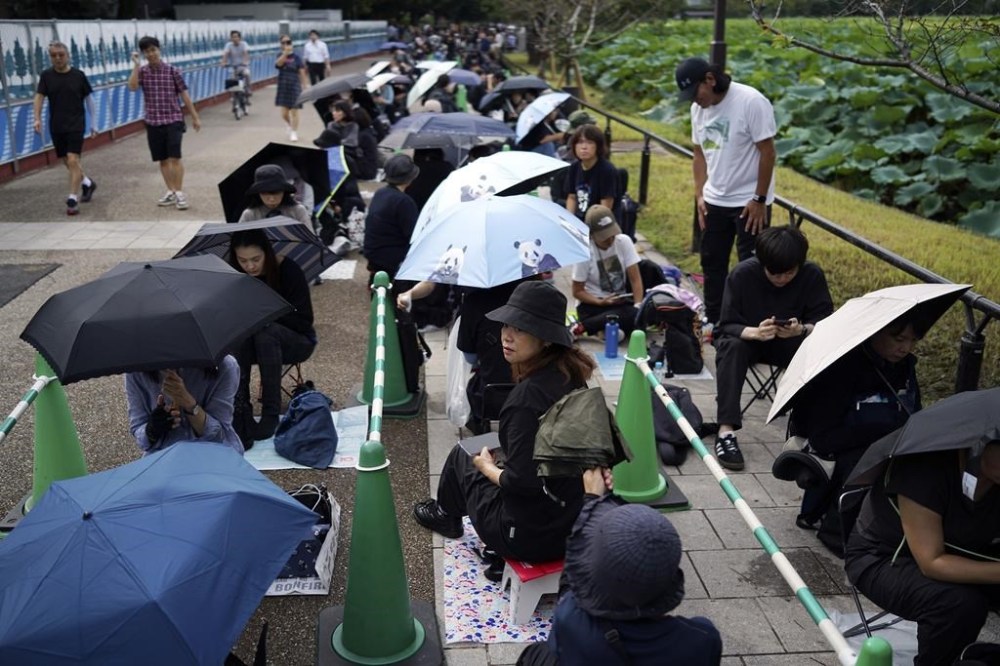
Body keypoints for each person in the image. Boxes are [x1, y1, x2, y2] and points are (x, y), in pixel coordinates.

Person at [413, 281, 596, 566]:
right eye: (505, 325)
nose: (507, 336)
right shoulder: (572, 374)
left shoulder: (525, 399)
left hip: (528, 536)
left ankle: (447, 517)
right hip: (572, 519)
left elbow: (521, 483)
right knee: (490, 450)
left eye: (520, 328)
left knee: (466, 453)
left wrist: (487, 467)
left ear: (546, 338)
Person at [517, 469, 723, 666]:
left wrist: (591, 500)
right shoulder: (702, 640)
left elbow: (572, 583)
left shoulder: (572, 622)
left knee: (536, 654)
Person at [845, 440, 1000, 666]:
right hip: (885, 558)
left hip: (964, 549)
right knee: (960, 605)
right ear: (981, 442)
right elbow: (932, 562)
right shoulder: (923, 468)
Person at [785, 313, 922, 552]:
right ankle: (837, 530)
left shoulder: (905, 367)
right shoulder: (841, 368)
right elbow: (822, 437)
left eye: (912, 340)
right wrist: (879, 431)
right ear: (875, 333)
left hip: (890, 442)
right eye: (899, 339)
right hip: (840, 449)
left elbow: (914, 414)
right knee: (870, 459)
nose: (905, 348)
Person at [712, 226, 832, 470]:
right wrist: (755, 332)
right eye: (774, 273)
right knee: (731, 347)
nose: (781, 279)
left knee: (820, 351)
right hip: (751, 343)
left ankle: (806, 433)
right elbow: (726, 325)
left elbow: (826, 322)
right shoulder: (742, 274)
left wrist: (801, 330)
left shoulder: (811, 275)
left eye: (788, 273)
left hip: (792, 343)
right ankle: (725, 432)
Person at [675, 57, 777, 331]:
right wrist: (699, 195)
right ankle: (715, 319)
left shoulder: (750, 101)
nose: (695, 101)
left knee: (753, 266)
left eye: (695, 93)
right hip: (714, 200)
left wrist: (759, 199)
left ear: (709, 79)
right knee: (712, 262)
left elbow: (768, 152)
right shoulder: (699, 110)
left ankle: (751, 322)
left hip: (748, 202)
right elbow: (699, 154)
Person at [228, 229, 316, 441]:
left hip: (295, 341)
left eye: (256, 259)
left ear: (266, 252)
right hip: (250, 345)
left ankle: (270, 411)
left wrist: (267, 314)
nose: (250, 266)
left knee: (265, 331)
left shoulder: (288, 270)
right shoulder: (235, 276)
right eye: (243, 260)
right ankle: (241, 408)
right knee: (240, 334)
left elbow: (304, 321)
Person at [127, 35, 201, 211]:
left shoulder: (172, 71)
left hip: (173, 119)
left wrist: (195, 117)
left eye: (153, 50)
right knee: (162, 160)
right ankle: (171, 191)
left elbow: (184, 95)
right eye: (147, 51)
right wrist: (136, 65)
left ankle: (180, 193)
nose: (151, 54)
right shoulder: (143, 72)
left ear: (159, 50)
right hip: (153, 121)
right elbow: (132, 86)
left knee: (175, 157)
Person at [125, 357, 243, 455]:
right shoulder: (136, 371)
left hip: (213, 455)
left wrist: (188, 402)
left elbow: (220, 435)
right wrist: (152, 428)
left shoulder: (224, 366)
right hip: (164, 458)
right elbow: (139, 432)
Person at [32, 40, 98, 216]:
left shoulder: (79, 75)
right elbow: (39, 97)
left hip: (76, 124)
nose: (58, 58)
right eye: (54, 56)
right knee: (66, 161)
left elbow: (90, 100)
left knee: (73, 159)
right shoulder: (46, 76)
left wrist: (93, 123)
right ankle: (87, 183)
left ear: (68, 55)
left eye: (61, 55)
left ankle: (72, 198)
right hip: (57, 125)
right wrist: (36, 118)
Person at [570, 205, 644, 340]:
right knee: (626, 321)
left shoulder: (624, 241)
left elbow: (635, 279)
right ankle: (582, 327)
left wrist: (638, 306)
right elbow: (577, 291)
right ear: (591, 235)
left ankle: (601, 329)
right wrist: (600, 302)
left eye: (612, 235)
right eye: (604, 237)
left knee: (635, 317)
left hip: (620, 303)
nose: (610, 240)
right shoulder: (585, 252)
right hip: (593, 305)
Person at [363, 153, 420, 282]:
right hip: (390, 256)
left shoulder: (381, 192)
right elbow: (413, 235)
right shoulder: (404, 201)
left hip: (372, 251)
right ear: (410, 178)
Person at [563, 124, 618, 221]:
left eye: (589, 142)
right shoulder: (574, 167)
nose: (584, 147)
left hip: (599, 223)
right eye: (580, 142)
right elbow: (571, 197)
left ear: (598, 146)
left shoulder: (607, 170)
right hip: (579, 221)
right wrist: (570, 220)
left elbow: (605, 209)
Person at [237, 164, 312, 226]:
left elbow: (310, 238)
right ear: (258, 194)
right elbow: (238, 240)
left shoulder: (297, 211)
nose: (272, 199)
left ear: (284, 192)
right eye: (265, 193)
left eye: (276, 193)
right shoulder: (250, 215)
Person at [275, 36, 308, 142]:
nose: (286, 44)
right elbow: (278, 64)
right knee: (284, 113)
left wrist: (305, 85)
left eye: (288, 42)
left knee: (294, 111)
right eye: (283, 42)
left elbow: (302, 71)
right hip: (283, 84)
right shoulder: (280, 55)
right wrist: (285, 53)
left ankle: (294, 132)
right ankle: (289, 124)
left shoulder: (297, 57)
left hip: (295, 85)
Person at [220, 30, 251, 98]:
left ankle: (248, 89)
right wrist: (223, 62)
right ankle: (234, 98)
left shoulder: (244, 44)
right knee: (232, 80)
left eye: (236, 37)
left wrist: (245, 61)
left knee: (247, 74)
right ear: (231, 38)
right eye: (233, 37)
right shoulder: (228, 45)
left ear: (239, 38)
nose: (234, 38)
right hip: (233, 67)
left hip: (243, 66)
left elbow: (246, 53)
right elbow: (225, 54)